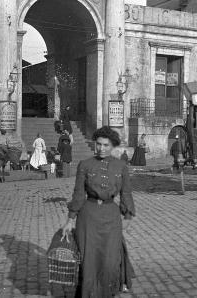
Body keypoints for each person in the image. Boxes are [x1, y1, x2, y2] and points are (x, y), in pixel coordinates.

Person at [62, 126, 136, 298]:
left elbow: (126, 192)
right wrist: (70, 219)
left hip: (111, 216)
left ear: (113, 147)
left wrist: (128, 216)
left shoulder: (121, 166)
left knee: (110, 260)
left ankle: (107, 293)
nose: (101, 149)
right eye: (99, 144)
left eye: (106, 145)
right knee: (89, 259)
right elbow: (79, 194)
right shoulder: (84, 165)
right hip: (88, 217)